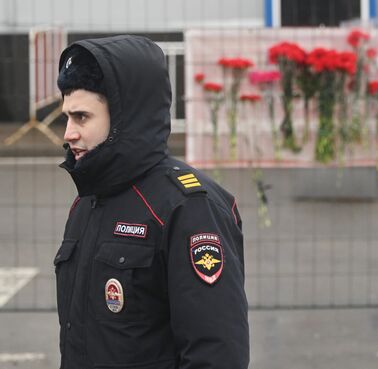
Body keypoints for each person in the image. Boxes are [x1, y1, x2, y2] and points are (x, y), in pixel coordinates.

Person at [54, 35, 249, 369]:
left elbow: (216, 354)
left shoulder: (188, 207)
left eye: (82, 118)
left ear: (124, 117)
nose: (68, 133)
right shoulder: (88, 201)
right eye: (67, 118)